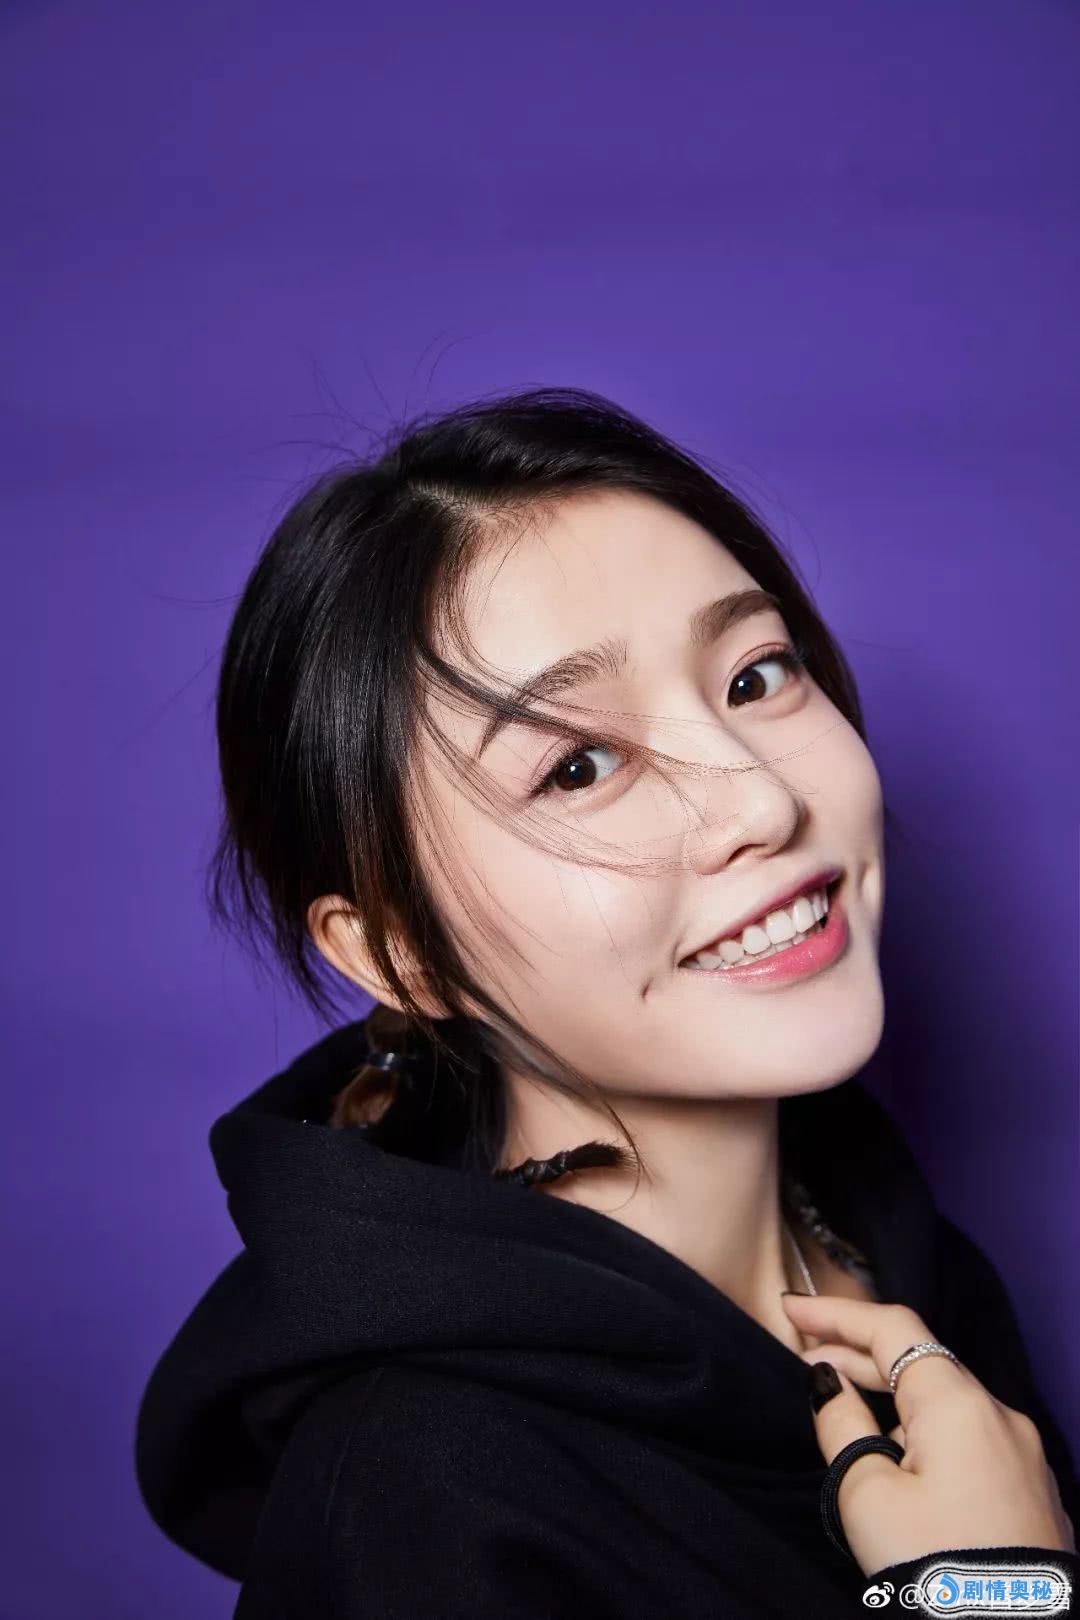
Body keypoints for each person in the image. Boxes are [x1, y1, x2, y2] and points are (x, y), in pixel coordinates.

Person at [135, 387, 1079, 1617]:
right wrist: (992, 1595)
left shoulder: (901, 1263)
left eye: (757, 675)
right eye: (579, 766)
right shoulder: (423, 1498)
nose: (762, 802)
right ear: (403, 953)